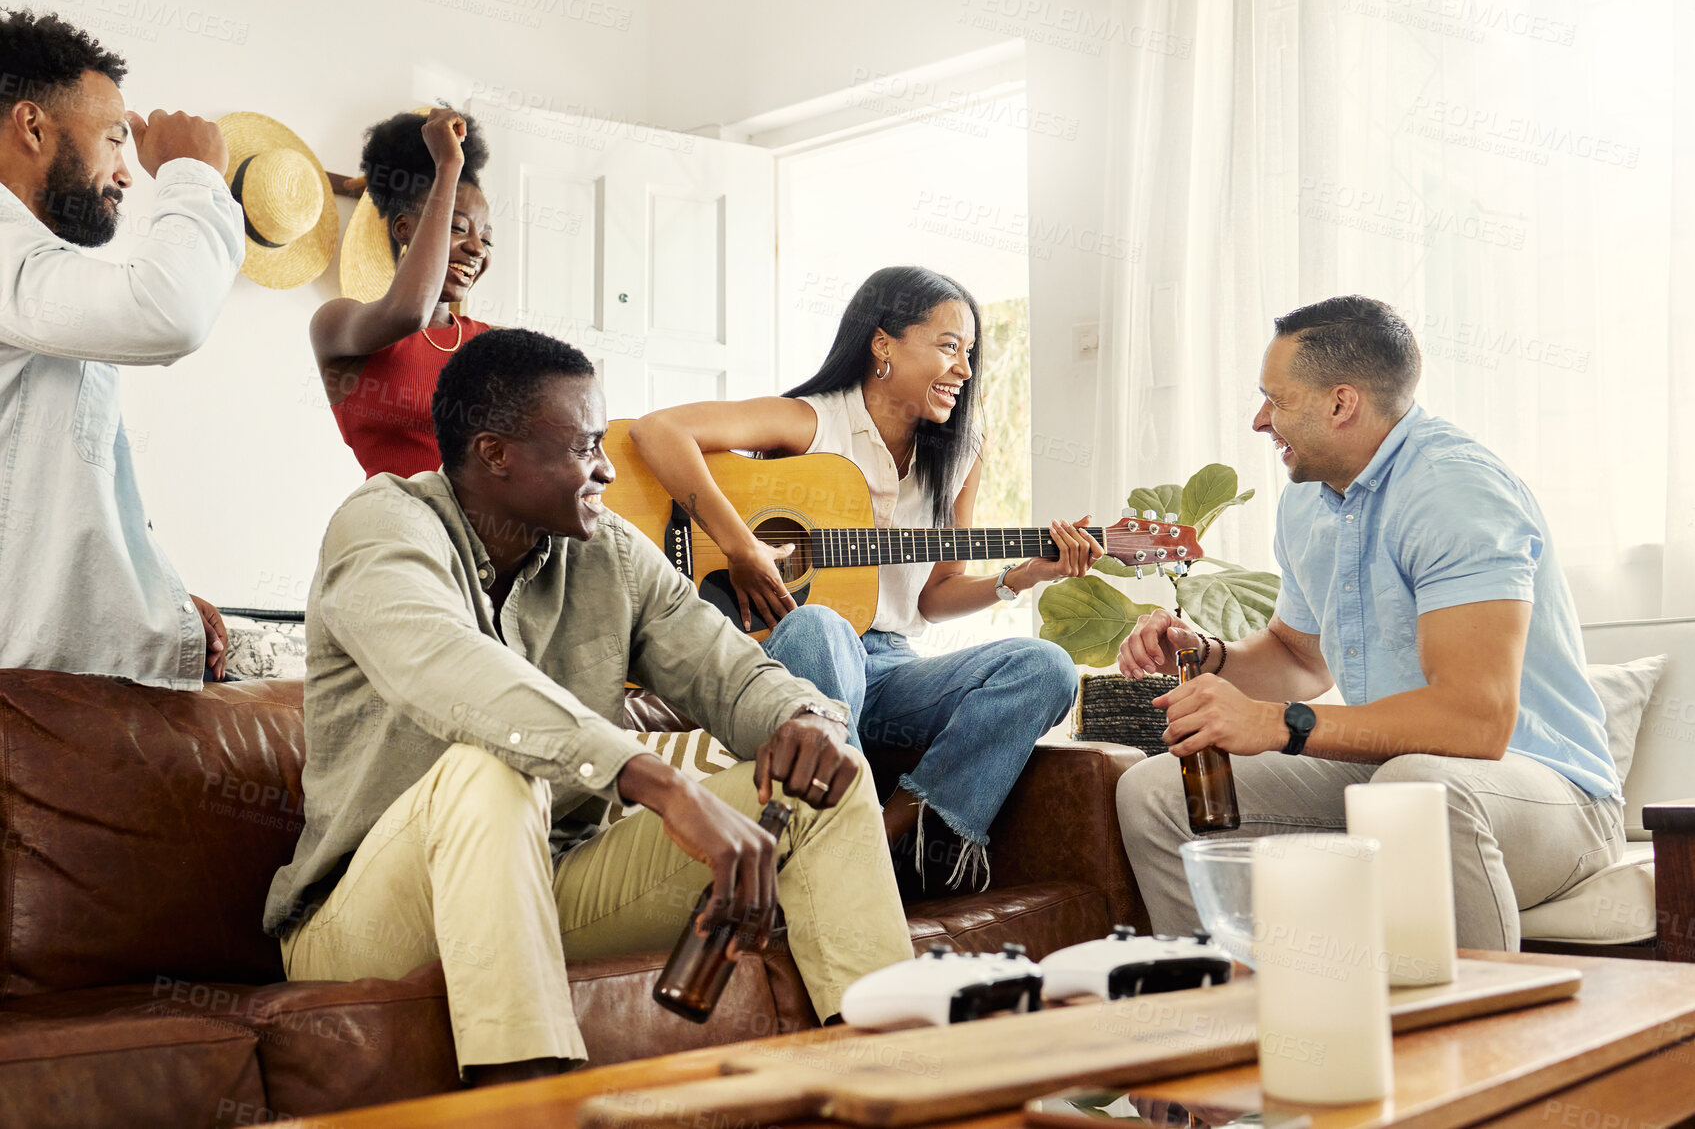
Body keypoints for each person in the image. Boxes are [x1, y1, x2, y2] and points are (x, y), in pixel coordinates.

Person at [265, 328, 911, 1085]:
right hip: (369, 919)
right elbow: (447, 666)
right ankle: (531, 1105)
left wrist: (806, 720)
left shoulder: (607, 550)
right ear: (494, 452)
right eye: (585, 445)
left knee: (826, 781)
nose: (607, 466)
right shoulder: (381, 524)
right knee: (489, 770)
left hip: (549, 888)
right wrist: (654, 780)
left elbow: (725, 665)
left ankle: (897, 1085)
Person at [1115, 295, 1623, 951]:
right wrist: (1208, 655)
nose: (1258, 419)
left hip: (1545, 795)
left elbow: (1475, 719)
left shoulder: (1453, 492)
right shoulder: (1305, 501)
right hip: (1394, 773)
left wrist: (1277, 724)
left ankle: (1469, 1041)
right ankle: (1239, 1018)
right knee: (1155, 792)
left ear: (1340, 403)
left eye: (1275, 399)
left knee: (1415, 791)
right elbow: (1298, 660)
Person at [629, 266, 1098, 894]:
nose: (964, 368)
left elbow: (933, 597)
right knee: (821, 625)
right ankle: (839, 847)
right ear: (883, 344)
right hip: (791, 658)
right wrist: (741, 546)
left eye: (970, 353)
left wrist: (1021, 577)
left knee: (1046, 667)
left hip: (890, 668)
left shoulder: (960, 454)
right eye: (949, 345)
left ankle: (888, 837)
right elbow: (658, 431)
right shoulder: (813, 422)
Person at [0, 9, 238, 685]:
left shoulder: (31, 274)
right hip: (24, 704)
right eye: (113, 138)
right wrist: (192, 173)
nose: (127, 174)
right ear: (32, 125)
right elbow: (170, 314)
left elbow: (44, 481)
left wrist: (145, 592)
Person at [312, 107, 494, 478]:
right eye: (459, 227)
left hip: (479, 536)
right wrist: (447, 166)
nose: (478, 248)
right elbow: (409, 313)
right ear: (404, 228)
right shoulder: (336, 325)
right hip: (395, 527)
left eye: (488, 238)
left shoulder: (491, 344)